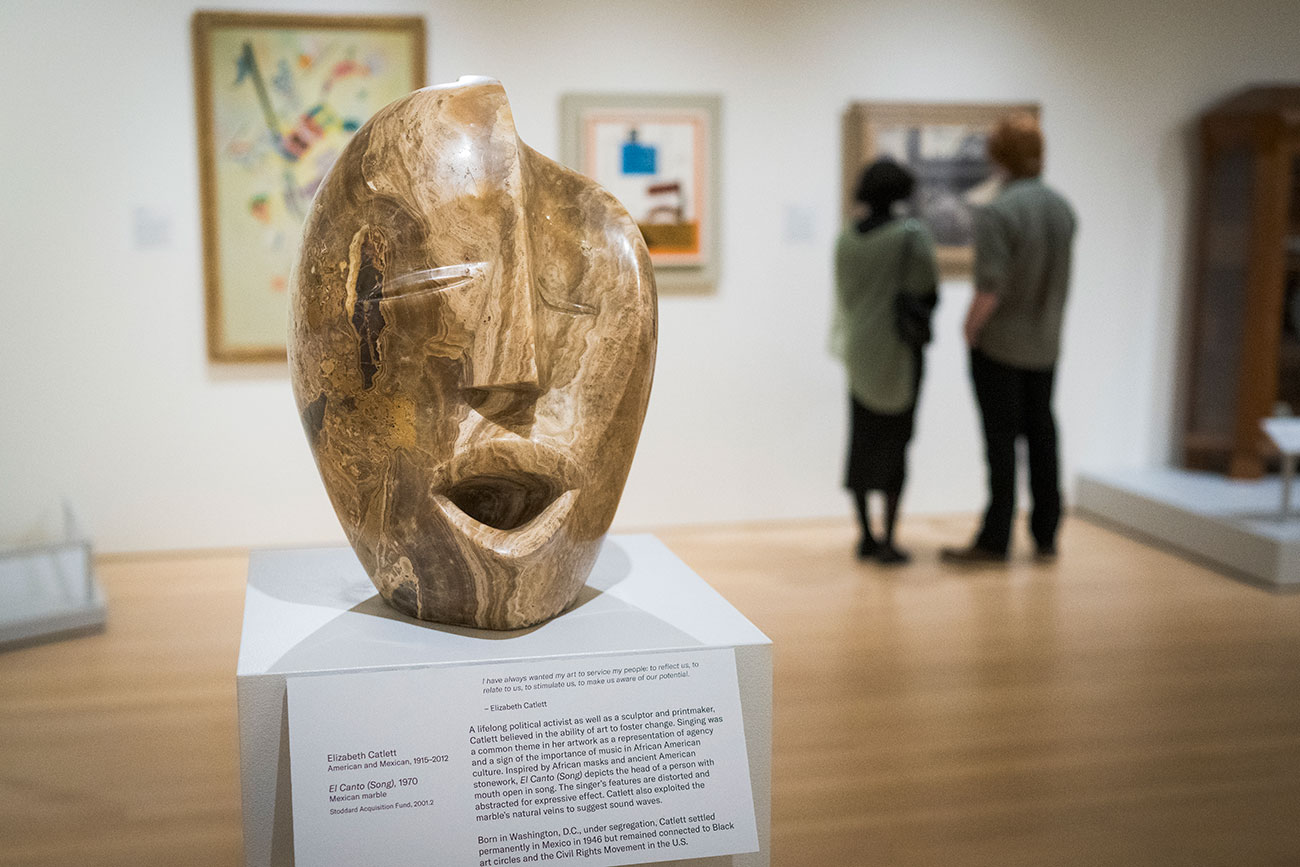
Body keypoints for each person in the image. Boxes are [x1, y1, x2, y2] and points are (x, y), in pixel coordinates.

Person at [942, 114, 1076, 564]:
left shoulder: (1000, 212)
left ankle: (996, 537)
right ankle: (1046, 532)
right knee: (1042, 434)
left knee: (1000, 442)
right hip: (1045, 344)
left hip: (1001, 346)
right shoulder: (1061, 209)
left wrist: (969, 328)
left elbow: (991, 288)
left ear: (1000, 157)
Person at [832, 159, 938, 565]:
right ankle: (889, 537)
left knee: (860, 442)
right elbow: (925, 287)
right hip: (898, 352)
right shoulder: (910, 236)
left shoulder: (845, 238)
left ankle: (865, 535)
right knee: (896, 444)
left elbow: (846, 295)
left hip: (860, 350)